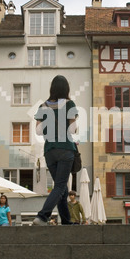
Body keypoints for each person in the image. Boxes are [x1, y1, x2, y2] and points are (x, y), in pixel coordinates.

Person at [33, 75, 78, 225]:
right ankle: (42, 216)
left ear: (52, 88)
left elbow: (38, 131)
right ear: (66, 88)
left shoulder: (43, 106)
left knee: (62, 188)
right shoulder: (69, 104)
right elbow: (72, 129)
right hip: (65, 149)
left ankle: (66, 220)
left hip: (49, 151)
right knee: (59, 186)